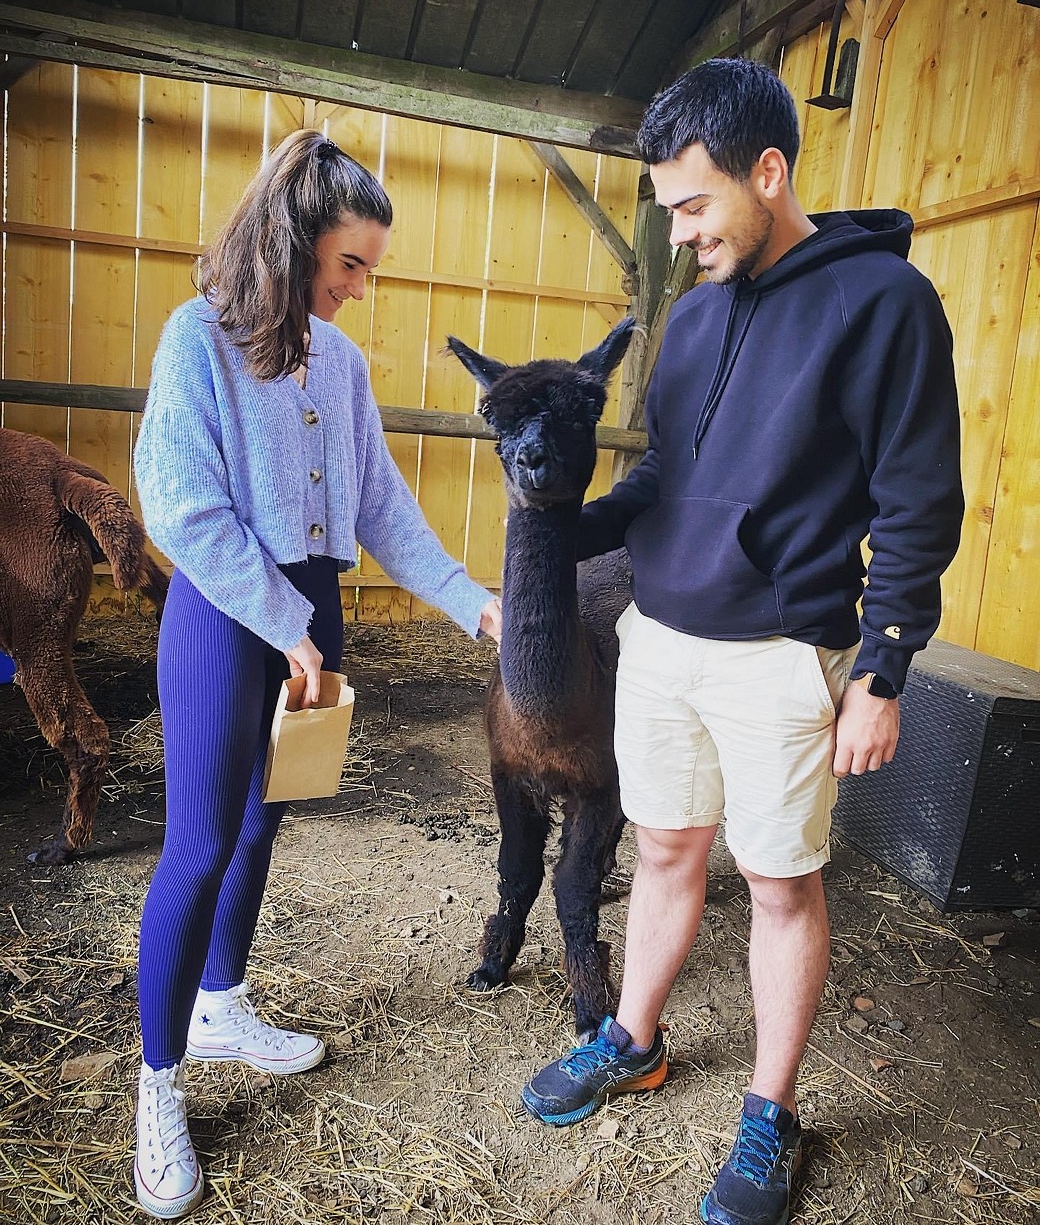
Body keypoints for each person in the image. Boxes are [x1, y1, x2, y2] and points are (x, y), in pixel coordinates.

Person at [520, 59, 963, 1225]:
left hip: (784, 649)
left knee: (776, 884)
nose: (677, 234)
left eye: (692, 204)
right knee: (662, 849)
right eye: (667, 208)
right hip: (660, 632)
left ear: (767, 172)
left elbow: (918, 502)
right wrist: (575, 525)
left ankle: (768, 1112)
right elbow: (670, 468)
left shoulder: (882, 304)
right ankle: (630, 1033)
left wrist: (881, 670)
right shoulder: (698, 309)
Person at [131, 130, 501, 1220]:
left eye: (368, 268)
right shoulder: (196, 338)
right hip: (225, 616)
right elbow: (180, 505)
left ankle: (223, 1003)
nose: (360, 288)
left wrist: (466, 596)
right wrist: (284, 621)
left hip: (315, 622)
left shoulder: (342, 366)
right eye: (350, 265)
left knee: (269, 822)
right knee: (199, 843)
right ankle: (157, 1087)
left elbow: (381, 506)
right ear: (295, 247)